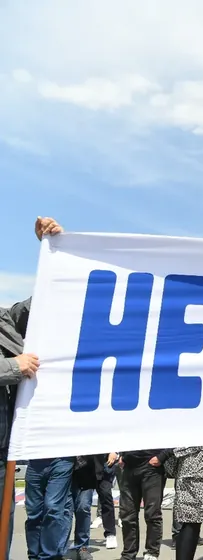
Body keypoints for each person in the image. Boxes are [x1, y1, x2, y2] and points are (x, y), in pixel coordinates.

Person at [17, 217, 67, 560]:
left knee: (53, 507)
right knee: (34, 510)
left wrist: (55, 254)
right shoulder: (22, 347)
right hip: (32, 446)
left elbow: (42, 306)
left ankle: (49, 557)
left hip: (59, 442)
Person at [118, 449, 169, 560]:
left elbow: (172, 435)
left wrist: (162, 456)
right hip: (129, 465)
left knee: (152, 513)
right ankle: (128, 554)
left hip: (152, 466)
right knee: (127, 514)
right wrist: (121, 454)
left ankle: (152, 551)